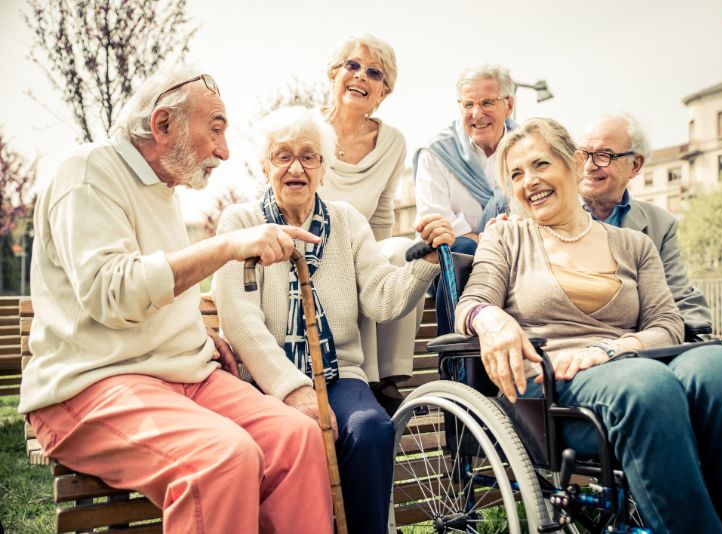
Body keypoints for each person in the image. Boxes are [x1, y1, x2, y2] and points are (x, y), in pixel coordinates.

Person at [18, 68, 334, 534]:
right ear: (164, 125)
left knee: (297, 437)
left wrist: (195, 332)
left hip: (180, 375)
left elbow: (154, 287)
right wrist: (228, 246)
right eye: (216, 130)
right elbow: (113, 293)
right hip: (90, 385)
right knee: (223, 459)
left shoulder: (164, 190)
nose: (225, 152)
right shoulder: (86, 173)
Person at [456, 117, 722, 533]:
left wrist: (609, 350)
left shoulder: (634, 244)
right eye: (516, 174)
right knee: (646, 385)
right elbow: (472, 302)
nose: (529, 182)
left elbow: (667, 323)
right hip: (557, 391)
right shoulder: (506, 238)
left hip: (632, 362)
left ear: (574, 164)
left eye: (540, 164)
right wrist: (491, 319)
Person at [214, 106, 454, 534]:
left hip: (339, 374)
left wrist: (427, 262)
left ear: (323, 169)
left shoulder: (345, 221)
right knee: (287, 438)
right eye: (282, 155)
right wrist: (291, 388)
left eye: (309, 156)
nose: (296, 167)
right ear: (264, 166)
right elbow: (237, 317)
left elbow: (381, 299)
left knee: (370, 429)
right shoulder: (242, 223)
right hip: (266, 381)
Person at [318, 33, 415, 412]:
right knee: (352, 264)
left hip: (361, 248)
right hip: (313, 254)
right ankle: (366, 378)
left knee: (402, 251)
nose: (361, 76)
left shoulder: (392, 142)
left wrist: (372, 257)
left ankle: (390, 377)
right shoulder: (307, 131)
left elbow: (382, 214)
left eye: (374, 73)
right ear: (333, 74)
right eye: (352, 65)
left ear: (383, 93)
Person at [579, 113, 711, 333]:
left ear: (635, 165)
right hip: (578, 344)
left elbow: (678, 297)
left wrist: (696, 337)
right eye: (583, 154)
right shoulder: (550, 213)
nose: (589, 166)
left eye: (604, 155)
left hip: (642, 342)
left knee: (718, 362)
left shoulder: (661, 224)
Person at [413, 63, 516, 334]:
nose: (476, 113)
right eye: (467, 104)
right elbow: (434, 222)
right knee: (460, 250)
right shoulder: (436, 152)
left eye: (487, 102)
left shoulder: (527, 147)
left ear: (509, 105)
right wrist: (486, 241)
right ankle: (458, 360)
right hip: (455, 262)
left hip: (517, 253)